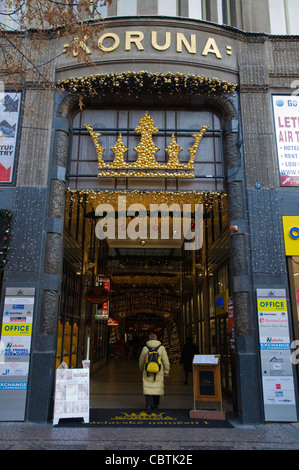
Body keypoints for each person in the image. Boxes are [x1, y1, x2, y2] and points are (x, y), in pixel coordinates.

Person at [139, 333, 170, 410]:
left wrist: (142, 369)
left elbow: (141, 361)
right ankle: (155, 404)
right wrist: (166, 371)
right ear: (157, 339)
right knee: (157, 387)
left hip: (147, 371)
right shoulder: (161, 348)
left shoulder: (145, 348)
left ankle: (149, 405)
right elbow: (165, 361)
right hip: (158, 371)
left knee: (148, 388)